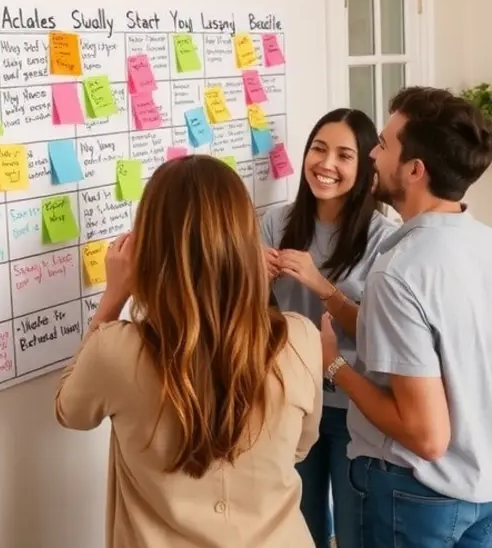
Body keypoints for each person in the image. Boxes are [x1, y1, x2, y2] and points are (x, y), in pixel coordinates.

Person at [54, 155, 323, 547]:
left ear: (151, 249)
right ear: (246, 243)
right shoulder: (300, 338)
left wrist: (112, 299)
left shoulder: (115, 350)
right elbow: (300, 447)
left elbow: (70, 411)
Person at [320, 86, 492, 546]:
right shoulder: (482, 244)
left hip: (418, 497)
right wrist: (335, 301)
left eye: (383, 144)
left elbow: (425, 434)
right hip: (482, 487)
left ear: (415, 170)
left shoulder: (399, 272)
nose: (372, 154)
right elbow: (438, 349)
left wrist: (334, 365)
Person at [261, 108, 397, 548]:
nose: (326, 164)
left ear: (364, 169)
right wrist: (250, 278)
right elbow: (254, 320)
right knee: (298, 529)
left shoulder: (383, 237)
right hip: (288, 399)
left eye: (344, 155)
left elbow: (380, 334)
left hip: (351, 407)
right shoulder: (274, 224)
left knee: (355, 531)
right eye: (318, 149)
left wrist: (321, 286)